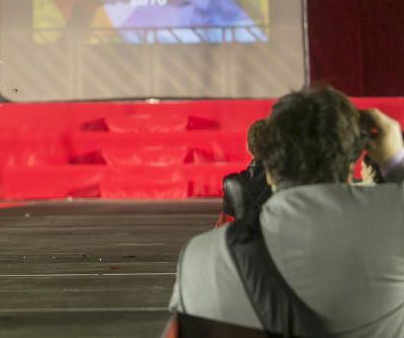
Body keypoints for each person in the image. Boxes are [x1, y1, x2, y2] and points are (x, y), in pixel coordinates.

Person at [169, 87, 404, 336]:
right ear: (349, 168)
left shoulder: (201, 258)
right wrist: (395, 160)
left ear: (269, 172)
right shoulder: (394, 220)